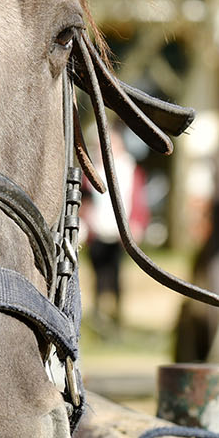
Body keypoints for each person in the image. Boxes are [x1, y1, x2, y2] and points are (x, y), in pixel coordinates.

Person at [82, 132, 148, 329]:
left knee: (116, 274)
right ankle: (99, 316)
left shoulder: (130, 170)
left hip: (120, 234)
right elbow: (85, 202)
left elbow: (139, 202)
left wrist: (137, 224)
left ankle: (116, 317)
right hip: (97, 231)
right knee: (98, 275)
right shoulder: (91, 170)